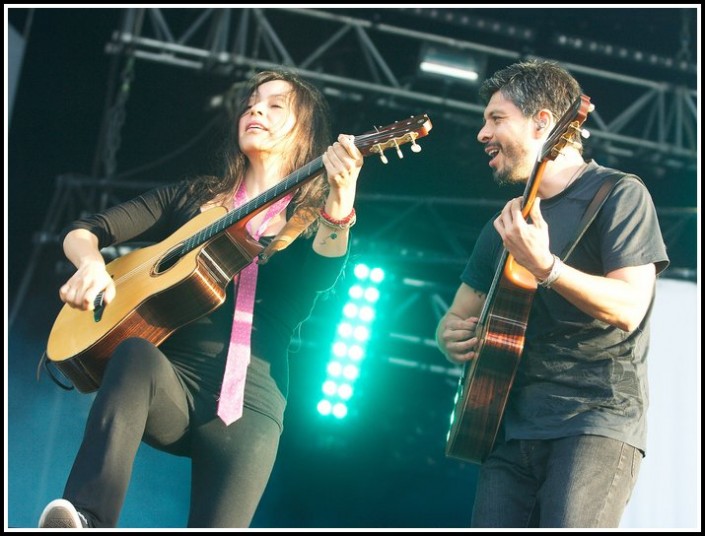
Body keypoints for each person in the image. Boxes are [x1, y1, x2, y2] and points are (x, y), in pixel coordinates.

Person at [38, 69, 364, 528]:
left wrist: (341, 202)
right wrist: (91, 263)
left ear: (306, 132)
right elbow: (86, 230)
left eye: (275, 106)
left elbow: (323, 272)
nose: (255, 110)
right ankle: (88, 517)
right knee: (134, 353)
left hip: (251, 407)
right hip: (172, 382)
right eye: (252, 102)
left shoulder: (309, 217)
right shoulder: (195, 198)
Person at [435, 60, 669, 528]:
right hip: (507, 429)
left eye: (496, 119)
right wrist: (450, 335)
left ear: (543, 122)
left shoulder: (619, 195)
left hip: (594, 423)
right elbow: (455, 318)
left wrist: (547, 266)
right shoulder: (504, 224)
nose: (482, 133)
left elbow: (628, 307)